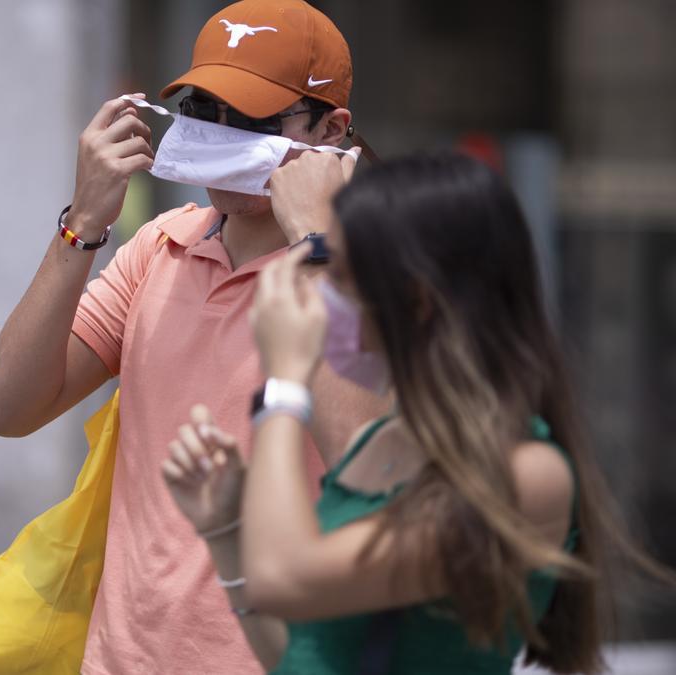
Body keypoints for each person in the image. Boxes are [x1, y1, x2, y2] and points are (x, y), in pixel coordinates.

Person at [0, 1, 385, 671]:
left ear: (331, 129)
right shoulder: (158, 247)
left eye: (250, 117)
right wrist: (83, 220)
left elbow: (367, 464)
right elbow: (7, 405)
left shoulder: (373, 266)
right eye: (204, 108)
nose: (219, 133)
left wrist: (316, 244)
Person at [163, 151, 671, 673]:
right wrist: (223, 529)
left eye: (339, 275)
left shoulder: (526, 475)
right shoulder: (378, 444)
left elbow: (287, 580)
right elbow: (308, 654)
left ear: (417, 301)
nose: (323, 295)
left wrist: (285, 385)